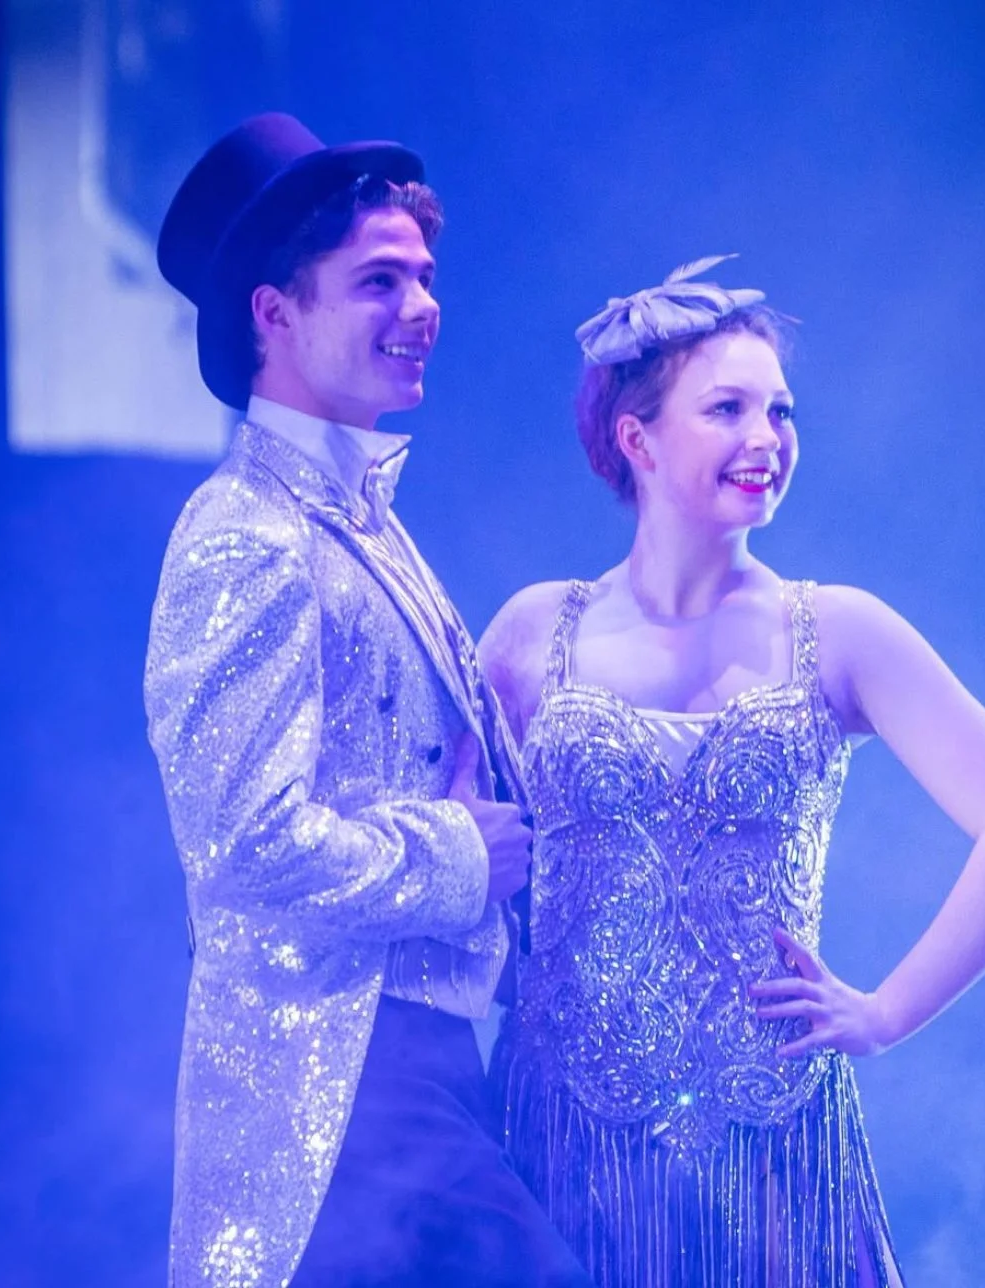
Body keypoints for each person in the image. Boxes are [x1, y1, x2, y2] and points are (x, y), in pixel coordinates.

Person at [478, 256, 985, 1287]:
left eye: (781, 411)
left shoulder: (838, 630)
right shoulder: (535, 632)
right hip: (564, 1142)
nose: (767, 437)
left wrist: (884, 1012)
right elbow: (458, 863)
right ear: (637, 439)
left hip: (772, 1152)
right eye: (728, 409)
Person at [145, 113, 591, 1288]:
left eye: (425, 276)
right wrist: (457, 851)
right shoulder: (247, 533)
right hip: (338, 1083)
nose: (423, 306)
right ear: (274, 313)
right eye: (378, 280)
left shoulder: (362, 526)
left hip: (422, 1067)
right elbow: (243, 847)